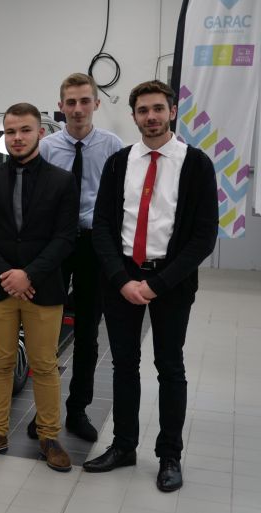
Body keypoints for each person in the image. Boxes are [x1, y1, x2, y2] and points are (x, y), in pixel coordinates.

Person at [83, 81, 217, 492]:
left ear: (172, 111)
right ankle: (124, 446)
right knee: (123, 365)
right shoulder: (119, 163)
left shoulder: (196, 164)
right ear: (134, 116)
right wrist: (122, 279)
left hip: (171, 281)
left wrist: (157, 284)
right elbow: (102, 226)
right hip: (122, 279)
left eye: (158, 108)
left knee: (170, 367)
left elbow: (203, 236)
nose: (151, 117)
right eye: (143, 110)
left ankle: (169, 455)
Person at [0, 103, 77, 472]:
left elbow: (65, 237)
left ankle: (49, 437)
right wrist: (7, 274)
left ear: (40, 133)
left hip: (43, 288)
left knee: (44, 365)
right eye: (11, 131)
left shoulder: (62, 181)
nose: (17, 137)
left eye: (25, 130)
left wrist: (28, 275)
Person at [31, 73, 123, 443]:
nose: (78, 109)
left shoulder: (113, 146)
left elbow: (121, 198)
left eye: (85, 101)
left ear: (96, 104)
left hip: (94, 245)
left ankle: (77, 410)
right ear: (61, 106)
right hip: (55, 244)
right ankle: (44, 412)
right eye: (71, 102)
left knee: (87, 331)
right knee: (46, 332)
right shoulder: (47, 147)